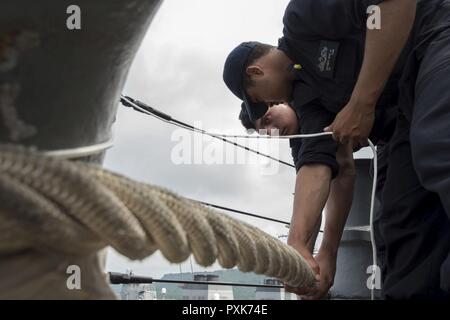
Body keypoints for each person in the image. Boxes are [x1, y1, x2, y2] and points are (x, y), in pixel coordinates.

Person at [222, 0, 450, 299]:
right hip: (403, 115)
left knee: (437, 146)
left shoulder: (303, 18)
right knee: (400, 218)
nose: (270, 104)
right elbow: (322, 165)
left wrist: (361, 102)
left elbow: (392, 4)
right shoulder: (308, 101)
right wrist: (307, 247)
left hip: (434, 36)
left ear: (256, 72)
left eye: (261, 101)